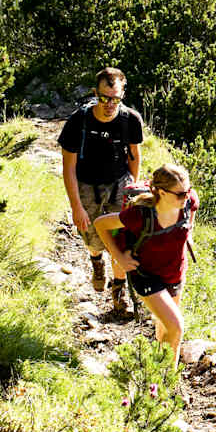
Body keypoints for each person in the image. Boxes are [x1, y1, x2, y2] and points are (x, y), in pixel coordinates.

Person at [93, 164, 198, 366]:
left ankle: (162, 380)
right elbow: (101, 224)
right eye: (180, 194)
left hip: (175, 273)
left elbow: (194, 205)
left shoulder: (187, 202)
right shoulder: (140, 215)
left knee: (166, 327)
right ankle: (161, 383)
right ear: (160, 192)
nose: (186, 196)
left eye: (187, 191)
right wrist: (119, 258)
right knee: (176, 327)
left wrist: (189, 232)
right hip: (146, 275)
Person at [59, 67, 143, 312]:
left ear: (122, 94)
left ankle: (119, 293)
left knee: (120, 240)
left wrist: (132, 191)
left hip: (119, 185)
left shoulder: (130, 120)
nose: (109, 104)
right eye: (104, 98)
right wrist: (76, 206)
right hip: (87, 186)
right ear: (96, 93)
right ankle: (96, 259)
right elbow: (69, 167)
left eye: (115, 99)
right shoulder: (78, 121)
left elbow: (135, 155)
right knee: (92, 237)